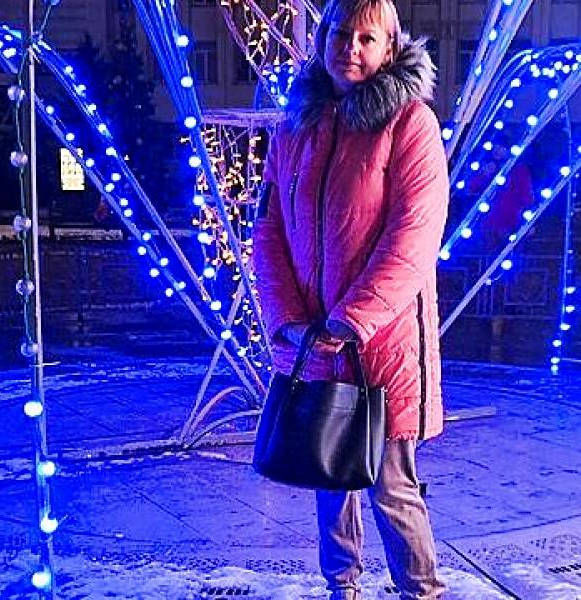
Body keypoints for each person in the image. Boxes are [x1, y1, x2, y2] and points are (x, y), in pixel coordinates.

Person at [253, 0, 449, 598]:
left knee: (392, 487)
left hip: (383, 347)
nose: (351, 48)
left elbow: (414, 237)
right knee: (328, 476)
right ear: (323, 39)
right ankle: (342, 589)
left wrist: (351, 321)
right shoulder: (295, 128)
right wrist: (288, 320)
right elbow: (269, 231)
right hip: (313, 340)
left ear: (389, 48)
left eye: (367, 38)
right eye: (341, 34)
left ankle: (421, 592)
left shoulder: (410, 124)